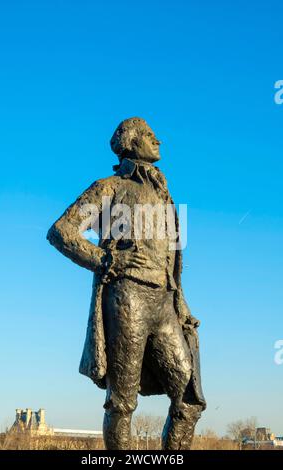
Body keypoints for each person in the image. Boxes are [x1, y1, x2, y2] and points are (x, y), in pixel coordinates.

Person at [47, 117, 206, 449]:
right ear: (130, 143)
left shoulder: (164, 194)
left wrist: (181, 304)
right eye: (149, 135)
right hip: (127, 297)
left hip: (165, 303)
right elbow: (62, 231)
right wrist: (111, 260)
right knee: (122, 402)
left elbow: (171, 261)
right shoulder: (110, 187)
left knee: (189, 399)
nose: (157, 140)